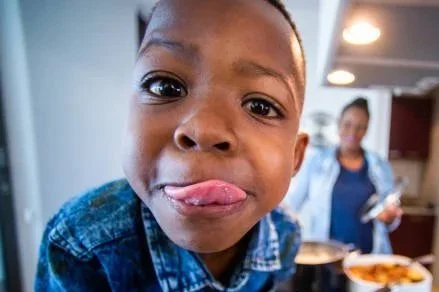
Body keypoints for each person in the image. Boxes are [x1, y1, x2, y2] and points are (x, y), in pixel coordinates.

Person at [34, 0, 309, 291]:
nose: (205, 129)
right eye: (165, 87)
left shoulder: (286, 232)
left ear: (295, 157)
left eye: (260, 106)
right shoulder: (82, 245)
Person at [287, 97, 402, 255]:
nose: (353, 132)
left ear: (367, 129)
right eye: (347, 124)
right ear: (338, 123)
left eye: (360, 127)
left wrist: (390, 218)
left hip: (369, 257)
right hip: (326, 257)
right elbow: (292, 204)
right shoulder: (316, 163)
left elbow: (389, 215)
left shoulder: (380, 166)